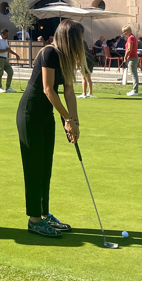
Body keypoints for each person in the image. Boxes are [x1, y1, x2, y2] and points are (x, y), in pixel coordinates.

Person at [16, 19, 87, 238]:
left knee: (46, 165)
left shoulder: (65, 58)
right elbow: (48, 90)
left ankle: (44, 214)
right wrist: (66, 119)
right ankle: (34, 220)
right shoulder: (49, 53)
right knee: (34, 166)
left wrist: (74, 121)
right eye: (80, 39)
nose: (82, 43)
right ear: (71, 38)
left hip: (46, 115)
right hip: (30, 113)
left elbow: (68, 91)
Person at [0, 29, 19, 93]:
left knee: (10, 72)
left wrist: (16, 54)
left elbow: (8, 49)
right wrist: (6, 50)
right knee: (0, 73)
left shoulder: (5, 40)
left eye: (8, 34)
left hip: (5, 59)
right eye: (6, 34)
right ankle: (0, 87)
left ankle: (8, 87)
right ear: (2, 35)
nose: (8, 36)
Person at [122, 25, 139, 96]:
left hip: (132, 58)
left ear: (128, 31)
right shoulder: (133, 37)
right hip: (134, 58)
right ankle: (135, 90)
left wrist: (125, 57)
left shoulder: (130, 38)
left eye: (124, 32)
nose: (124, 33)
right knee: (134, 74)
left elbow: (129, 49)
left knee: (133, 75)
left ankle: (135, 91)